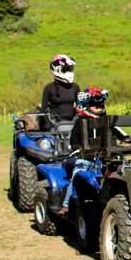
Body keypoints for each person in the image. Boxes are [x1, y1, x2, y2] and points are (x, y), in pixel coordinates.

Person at [59, 86, 111, 215]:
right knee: (79, 171)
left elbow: (115, 133)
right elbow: (73, 143)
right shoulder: (80, 122)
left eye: (101, 105)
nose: (100, 109)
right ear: (86, 106)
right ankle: (66, 204)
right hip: (83, 158)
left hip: (101, 158)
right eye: (96, 106)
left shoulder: (105, 122)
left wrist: (127, 138)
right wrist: (80, 149)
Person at [40, 54, 80, 123]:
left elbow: (80, 109)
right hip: (55, 126)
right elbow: (43, 111)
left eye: (70, 69)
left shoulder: (75, 87)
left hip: (72, 125)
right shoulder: (49, 88)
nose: (69, 72)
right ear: (57, 70)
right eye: (65, 70)